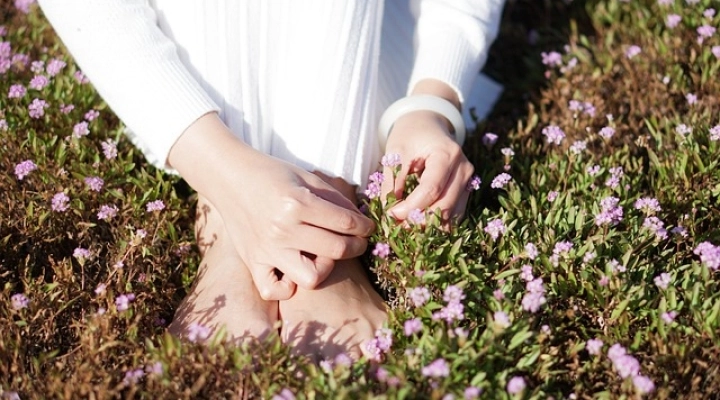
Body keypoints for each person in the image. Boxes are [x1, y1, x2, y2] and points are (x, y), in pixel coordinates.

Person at [38, 0, 505, 360]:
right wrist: (223, 171)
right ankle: (242, 203)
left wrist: (429, 101)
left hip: (386, 34)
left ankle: (301, 206)